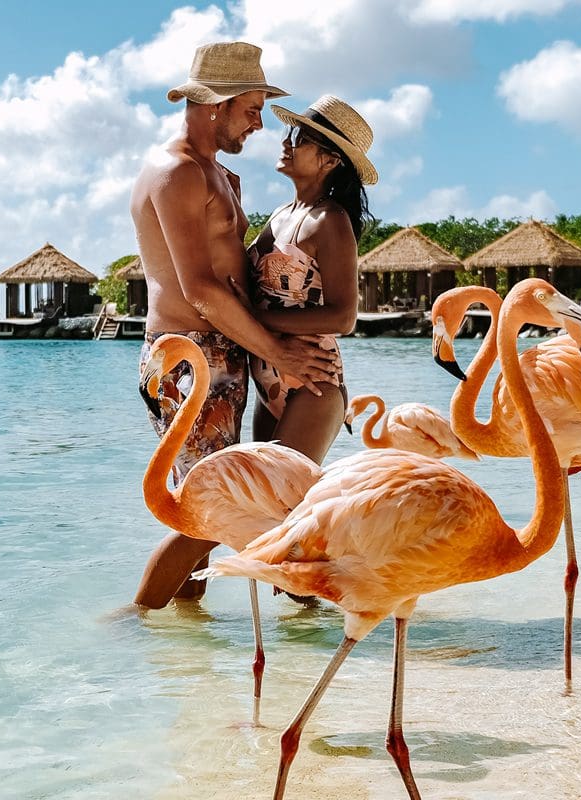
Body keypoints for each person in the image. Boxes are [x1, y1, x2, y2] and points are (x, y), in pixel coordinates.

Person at [129, 41, 337, 609]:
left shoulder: (219, 176)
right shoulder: (175, 172)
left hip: (229, 349)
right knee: (204, 509)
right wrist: (281, 351)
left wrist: (289, 341)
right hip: (187, 354)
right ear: (216, 105)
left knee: (220, 501)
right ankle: (136, 618)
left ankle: (185, 632)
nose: (260, 123)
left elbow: (240, 274)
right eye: (252, 108)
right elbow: (199, 289)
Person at [245, 95, 376, 464]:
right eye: (291, 133)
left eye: (301, 139)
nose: (287, 143)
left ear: (331, 160)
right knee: (264, 510)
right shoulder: (280, 215)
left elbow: (342, 317)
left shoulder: (330, 221)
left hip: (312, 383)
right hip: (269, 379)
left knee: (285, 503)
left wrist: (256, 322)